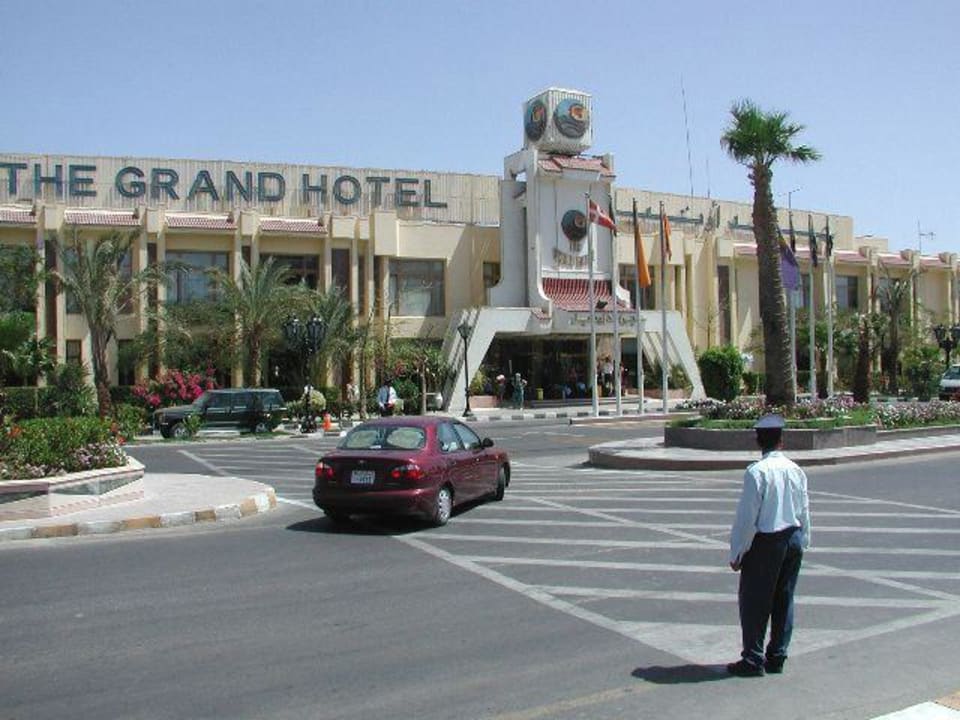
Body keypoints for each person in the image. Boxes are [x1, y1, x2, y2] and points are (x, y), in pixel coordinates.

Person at [727, 414, 811, 677]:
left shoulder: (756, 472)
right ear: (782, 441)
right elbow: (804, 509)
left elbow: (747, 518)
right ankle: (777, 655)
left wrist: (737, 552)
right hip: (793, 537)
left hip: (767, 541)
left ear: (758, 441)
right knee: (784, 598)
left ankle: (753, 659)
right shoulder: (796, 470)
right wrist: (804, 540)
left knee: (754, 601)